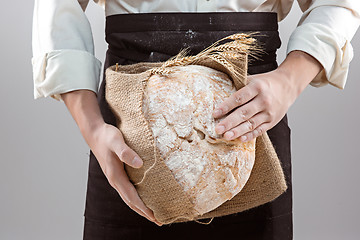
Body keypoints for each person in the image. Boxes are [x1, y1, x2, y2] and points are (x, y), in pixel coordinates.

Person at [31, 1, 360, 239]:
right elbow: (56, 8)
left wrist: (288, 81)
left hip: (249, 121)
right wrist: (93, 129)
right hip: (129, 129)